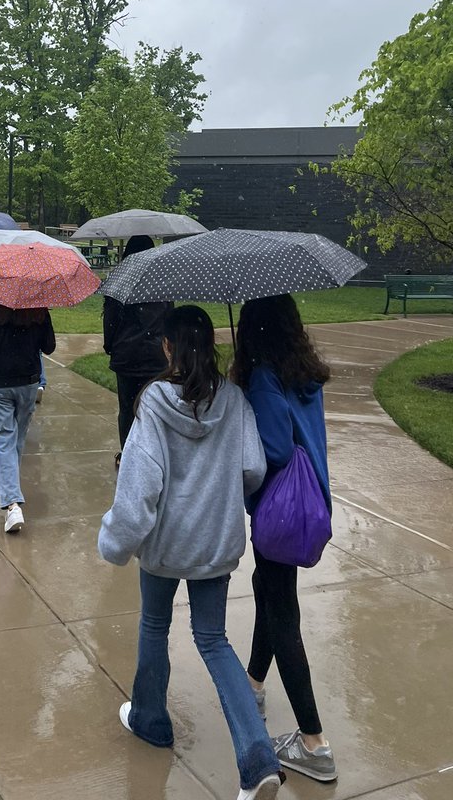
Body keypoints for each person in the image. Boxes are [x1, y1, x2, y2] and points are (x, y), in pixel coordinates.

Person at [98, 306, 283, 800]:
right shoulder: (235, 399)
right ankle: (258, 759)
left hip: (165, 545)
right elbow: (253, 468)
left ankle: (150, 719)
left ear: (167, 346)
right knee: (214, 640)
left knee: (154, 625)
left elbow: (139, 490)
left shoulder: (153, 401)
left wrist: (114, 542)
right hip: (214, 544)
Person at [231, 295, 337, 785]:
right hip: (309, 502)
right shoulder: (304, 374)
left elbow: (272, 450)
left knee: (282, 614)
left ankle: (314, 743)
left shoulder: (264, 378)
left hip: (280, 508)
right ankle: (253, 683)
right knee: (269, 587)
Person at [0, 303, 56, 534]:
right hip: (28, 383)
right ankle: (7, 486)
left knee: (5, 441)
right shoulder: (38, 311)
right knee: (17, 439)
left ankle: (12, 504)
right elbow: (49, 347)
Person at [102, 235, 173, 469]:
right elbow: (169, 319)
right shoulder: (162, 283)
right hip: (156, 357)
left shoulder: (119, 281)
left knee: (127, 408)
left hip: (127, 356)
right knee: (154, 408)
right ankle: (155, 455)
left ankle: (129, 455)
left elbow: (111, 320)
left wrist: (110, 345)